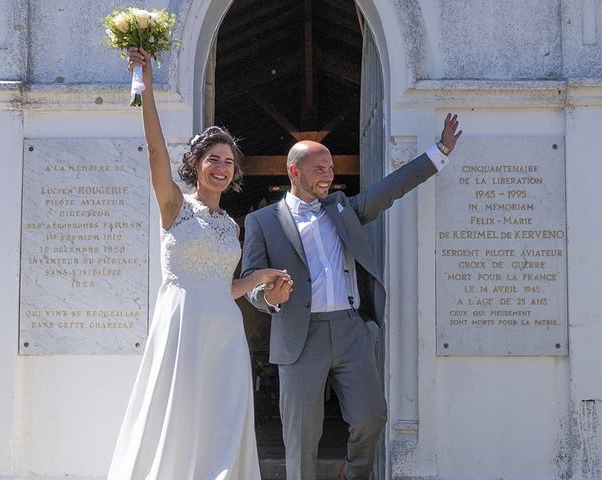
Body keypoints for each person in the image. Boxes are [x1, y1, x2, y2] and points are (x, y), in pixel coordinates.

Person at [240, 114, 462, 480]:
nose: (328, 174)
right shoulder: (262, 221)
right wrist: (270, 297)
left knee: (371, 417)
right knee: (301, 437)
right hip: (300, 336)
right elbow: (251, 280)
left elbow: (391, 188)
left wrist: (439, 152)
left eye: (330, 167)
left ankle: (354, 474)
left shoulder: (344, 208)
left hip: (350, 331)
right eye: (319, 168)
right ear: (294, 172)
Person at [107, 47, 292, 480]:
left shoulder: (231, 226)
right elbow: (154, 152)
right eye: (214, 159)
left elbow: (222, 286)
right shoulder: (175, 207)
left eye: (229, 162)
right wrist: (146, 88)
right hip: (183, 325)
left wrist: (260, 279)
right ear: (196, 164)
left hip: (224, 330)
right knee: (180, 417)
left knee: (223, 420)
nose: (222, 168)